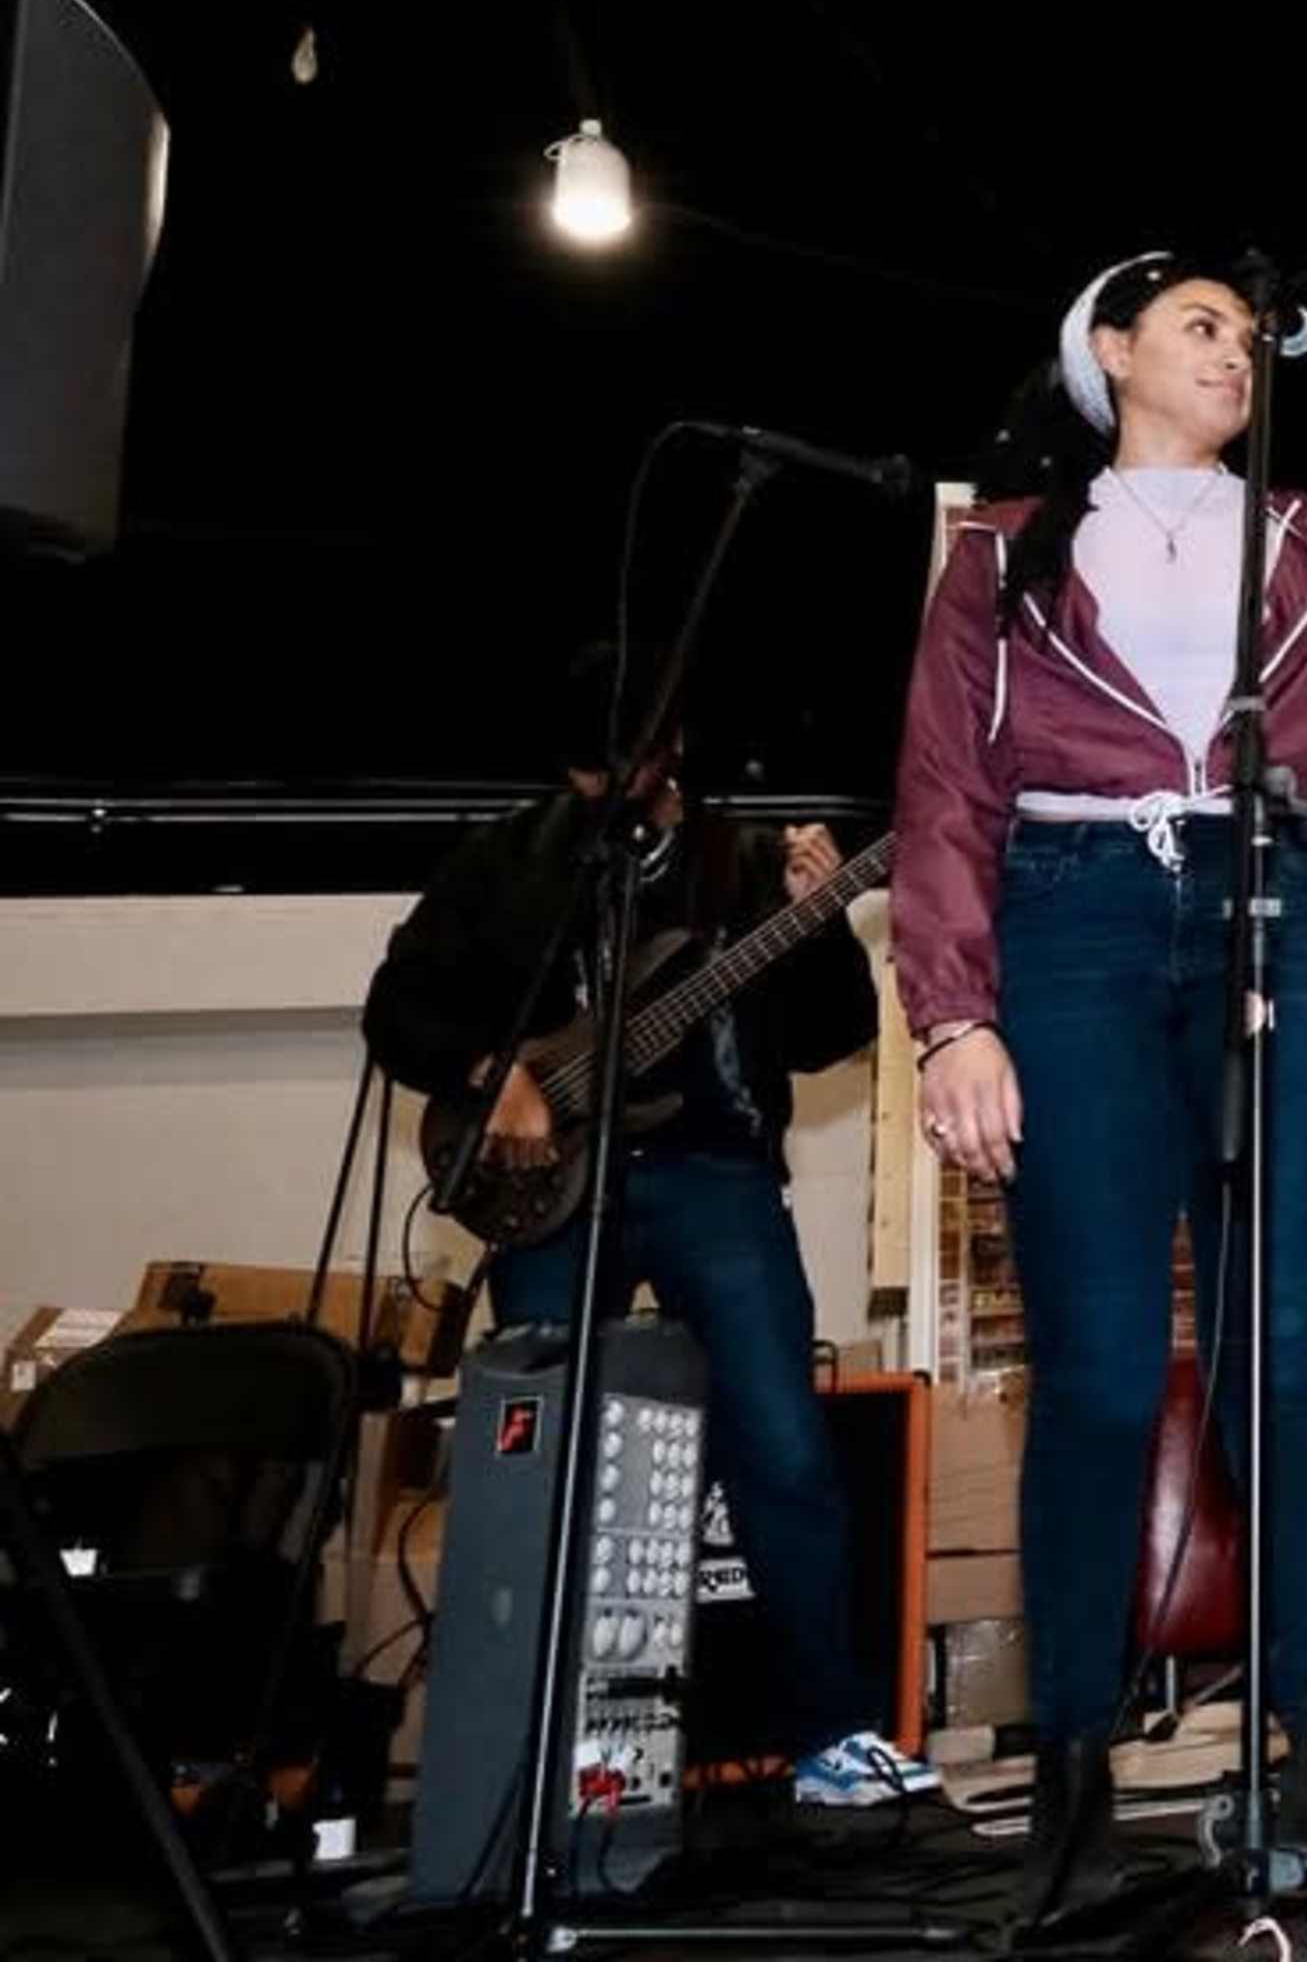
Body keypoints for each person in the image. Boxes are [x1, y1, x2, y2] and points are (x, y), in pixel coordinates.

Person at [889, 253, 1307, 1934]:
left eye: (1249, 335)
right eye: (1200, 324)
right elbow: (938, 792)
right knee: (1100, 1370)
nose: (1235, 353)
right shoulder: (1000, 552)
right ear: (1111, 351)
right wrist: (949, 1020)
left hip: (1271, 909)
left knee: (1281, 1352)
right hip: (1068, 927)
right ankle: (1071, 1791)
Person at [362, 649, 933, 1808]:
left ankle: (830, 1735)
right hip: (552, 1185)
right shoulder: (510, 857)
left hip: (712, 1174)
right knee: (549, 1456)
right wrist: (494, 1072)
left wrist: (818, 921)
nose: (605, 792)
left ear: (670, 753)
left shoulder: (746, 859)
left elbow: (829, 1037)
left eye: (624, 766)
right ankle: (531, 1758)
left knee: (779, 1445)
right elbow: (397, 1006)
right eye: (584, 773)